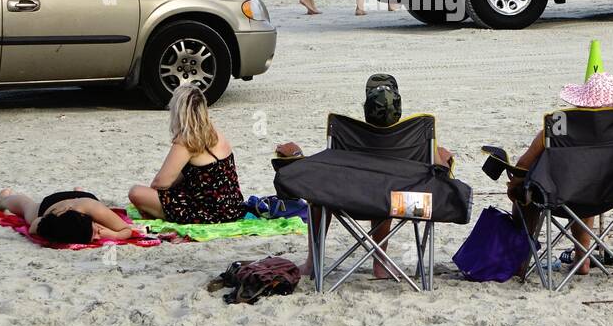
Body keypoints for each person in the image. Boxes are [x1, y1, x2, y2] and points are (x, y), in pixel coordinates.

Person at [277, 73, 454, 280]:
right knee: (387, 190)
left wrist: (297, 156)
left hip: (346, 202)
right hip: (404, 204)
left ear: (366, 106)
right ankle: (380, 263)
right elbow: (442, 178)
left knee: (319, 198)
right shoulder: (418, 133)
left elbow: (321, 171)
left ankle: (312, 262)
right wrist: (444, 159)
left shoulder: (346, 131)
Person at [506, 72, 613, 275]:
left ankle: (522, 261)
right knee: (588, 189)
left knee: (525, 194)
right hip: (609, 193)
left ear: (582, 102)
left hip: (560, 195)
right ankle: (582, 259)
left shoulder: (561, 126)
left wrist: (514, 185)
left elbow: (525, 163)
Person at [128, 84, 245, 225]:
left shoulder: (187, 139)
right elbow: (197, 173)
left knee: (136, 192)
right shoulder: (214, 132)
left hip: (210, 213)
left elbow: (161, 183)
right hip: (233, 207)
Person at [0, 187, 142, 244]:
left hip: (84, 199)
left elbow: (126, 230)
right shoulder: (51, 223)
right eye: (96, 233)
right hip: (52, 205)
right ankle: (2, 199)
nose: (98, 236)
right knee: (27, 207)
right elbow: (33, 228)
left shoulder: (94, 209)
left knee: (28, 207)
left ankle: (79, 189)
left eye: (95, 232)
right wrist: (114, 235)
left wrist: (114, 234)